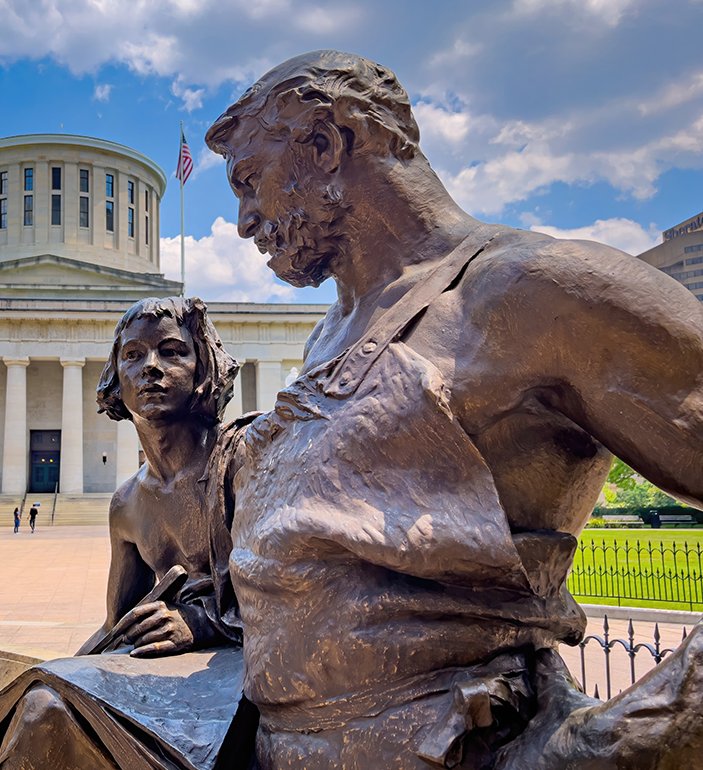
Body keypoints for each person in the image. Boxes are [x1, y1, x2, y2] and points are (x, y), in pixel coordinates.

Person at [203, 50, 703, 769]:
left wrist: (624, 744)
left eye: (250, 183)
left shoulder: (540, 292)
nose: (246, 221)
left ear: (325, 145)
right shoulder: (327, 338)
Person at [0, 297, 250, 770]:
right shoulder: (127, 503)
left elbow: (301, 589)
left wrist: (200, 623)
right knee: (21, 714)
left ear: (204, 366)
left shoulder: (241, 461)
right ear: (115, 378)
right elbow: (116, 625)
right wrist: (60, 672)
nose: (151, 368)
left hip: (227, 671)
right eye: (134, 355)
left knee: (43, 715)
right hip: (167, 668)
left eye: (173, 352)